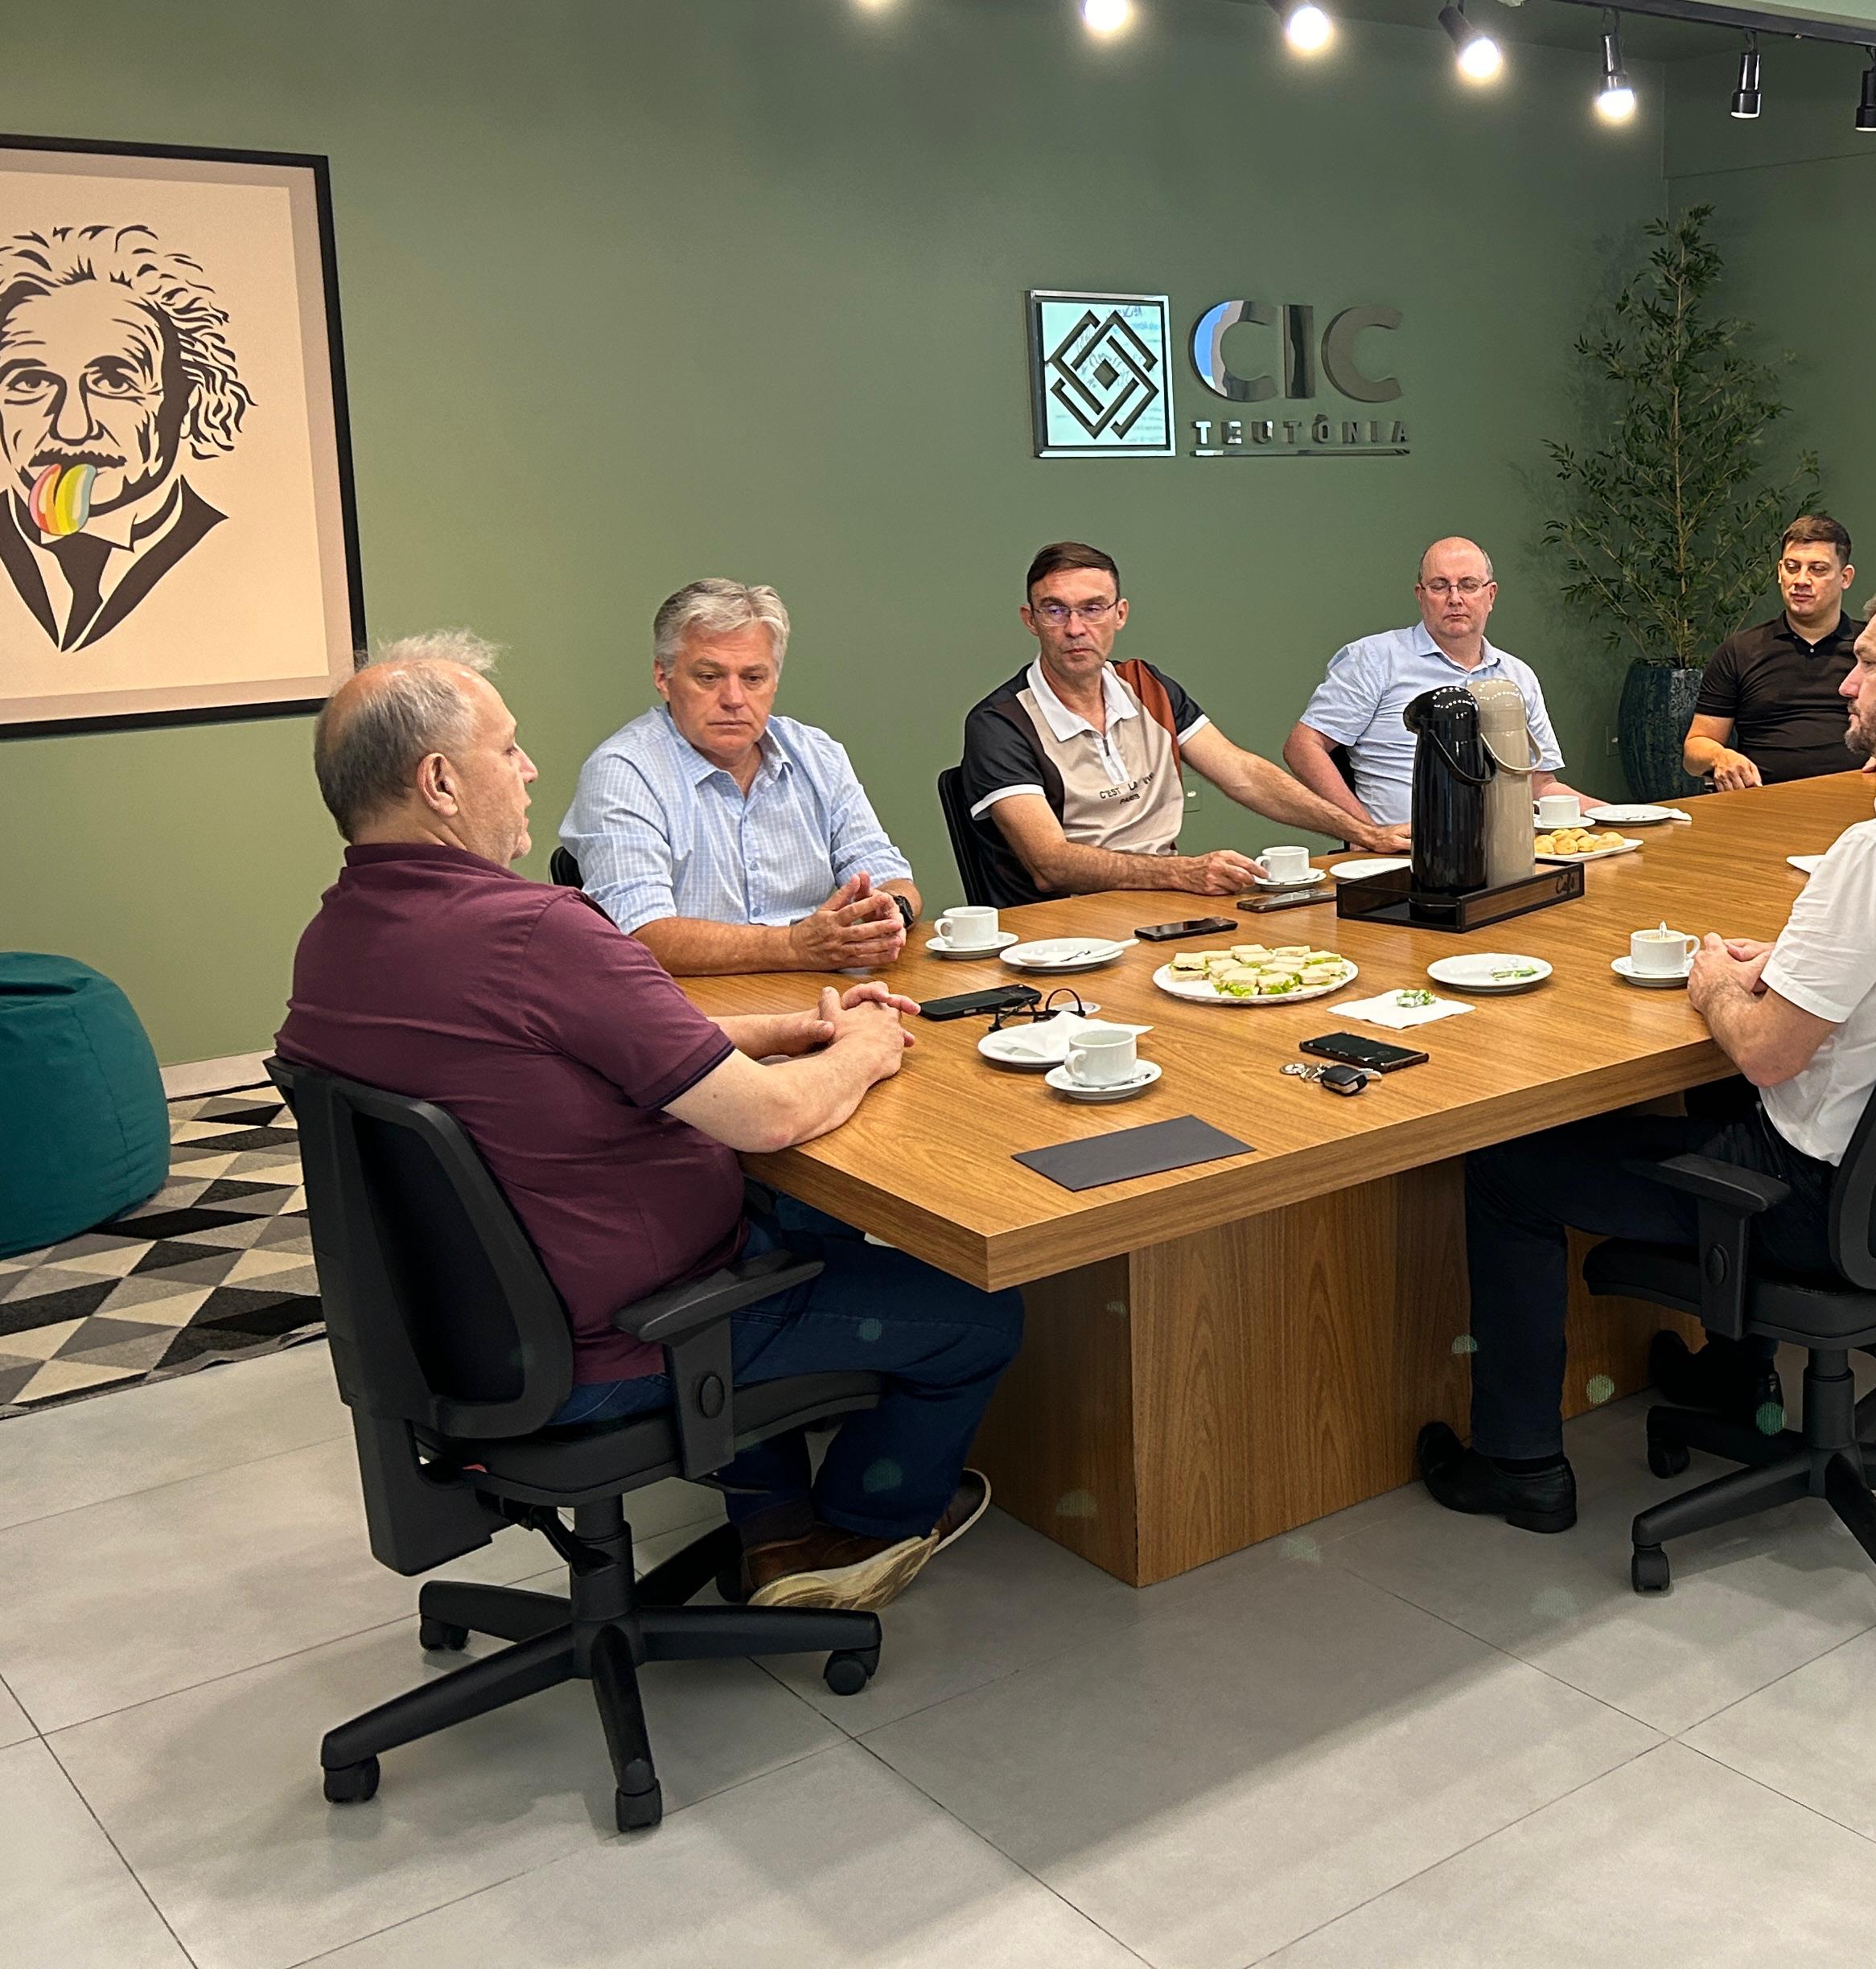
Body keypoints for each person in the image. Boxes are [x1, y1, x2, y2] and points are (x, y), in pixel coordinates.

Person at [276, 632, 1020, 1614]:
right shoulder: (539, 933)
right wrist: (865, 1048)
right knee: (979, 1313)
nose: (529, 770)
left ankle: (769, 1514)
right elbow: (768, 1119)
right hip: (632, 1333)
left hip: (458, 1338)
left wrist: (788, 1027)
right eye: (508, 748)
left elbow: (573, 1040)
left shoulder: (332, 942)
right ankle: (851, 1533)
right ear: (441, 783)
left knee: (794, 1223)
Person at [1418, 573, 1876, 1531]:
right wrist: (1802, 960)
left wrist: (1715, 983)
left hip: (1819, 1203)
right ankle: (1735, 1378)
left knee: (1508, 1169)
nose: (1846, 682)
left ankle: (1519, 1465)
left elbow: (1768, 1054)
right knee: (1716, 1099)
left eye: (1868, 664)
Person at [961, 540, 1400, 905]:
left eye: (1093, 608)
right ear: (1031, 620)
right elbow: (1050, 864)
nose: (1075, 628)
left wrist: (1364, 833)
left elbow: (1244, 776)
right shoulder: (999, 724)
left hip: (1162, 903)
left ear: (1120, 614)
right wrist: (1182, 872)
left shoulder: (1148, 687)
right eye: (1055, 610)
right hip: (1064, 926)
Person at [558, 579, 921, 976]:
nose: (734, 699)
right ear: (663, 678)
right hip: (694, 1001)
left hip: (820, 986)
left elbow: (889, 874)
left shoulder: (817, 754)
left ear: (774, 682)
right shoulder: (624, 771)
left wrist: (892, 910)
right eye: (709, 677)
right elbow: (642, 935)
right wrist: (795, 946)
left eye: (753, 678)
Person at [0, 223, 248, 654]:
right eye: (31, 382)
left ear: (187, 399)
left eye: (113, 381)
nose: (72, 428)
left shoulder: (245, 550)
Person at [1285, 536, 1598, 828]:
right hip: (1405, 852)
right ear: (1420, 596)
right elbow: (1303, 747)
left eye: (1469, 585)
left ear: (1491, 595)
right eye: (1439, 586)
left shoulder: (1518, 676)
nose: (1455, 598)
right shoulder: (1375, 659)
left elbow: (1540, 784)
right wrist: (1364, 832)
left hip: (1506, 850)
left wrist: (1619, 815)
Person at [1683, 514, 1865, 789]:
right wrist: (1721, 757)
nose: (1801, 580)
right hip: (1761, 797)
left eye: (1817, 569)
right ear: (1780, 572)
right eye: (1792, 567)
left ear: (1845, 577)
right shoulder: (1740, 650)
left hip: (1860, 796)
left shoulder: (1873, 648)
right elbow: (1695, 750)